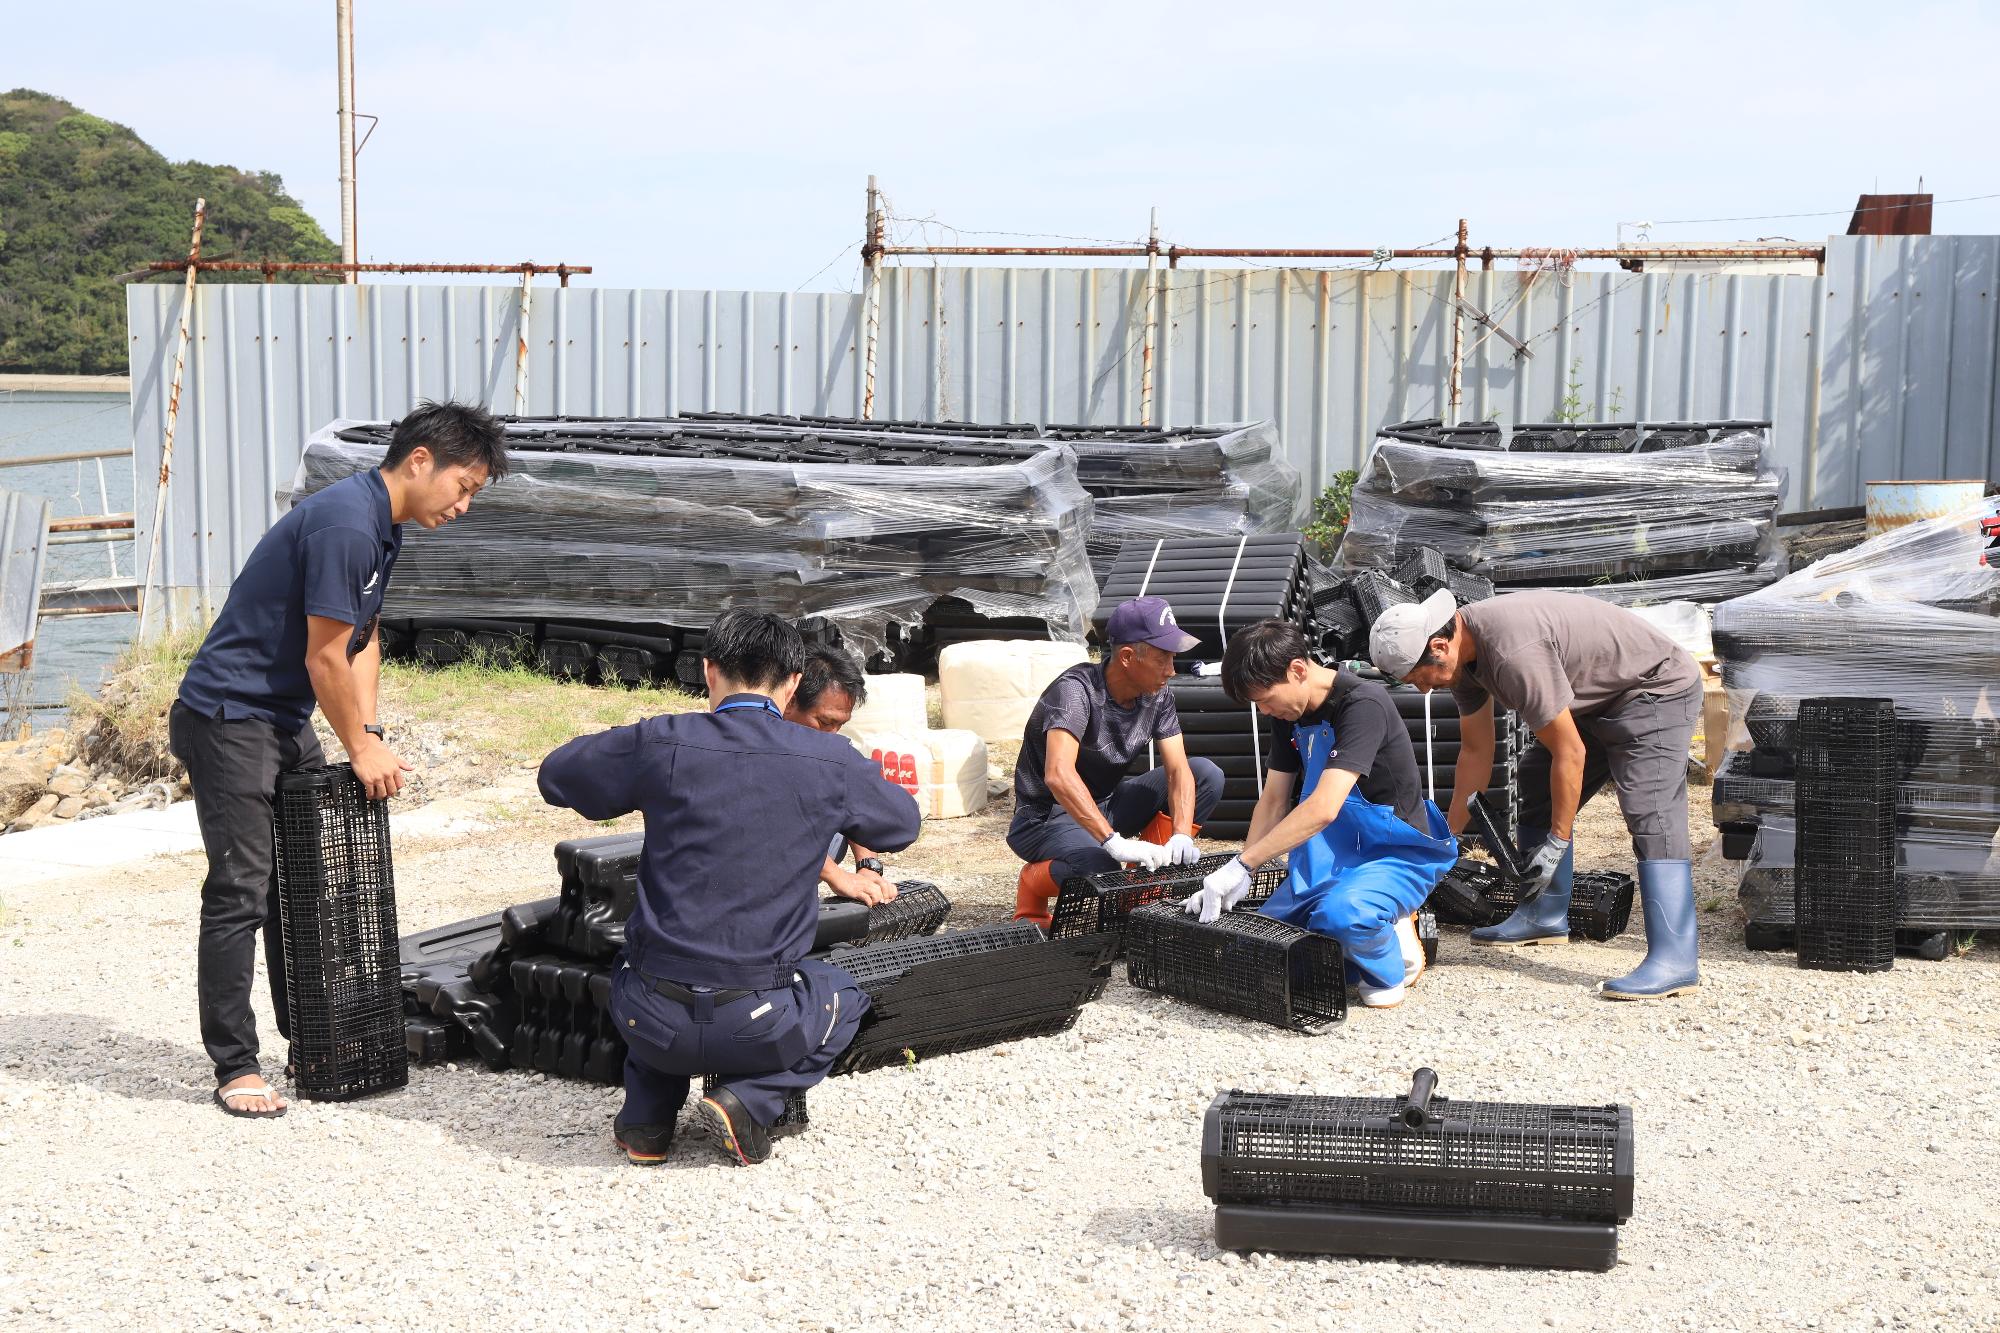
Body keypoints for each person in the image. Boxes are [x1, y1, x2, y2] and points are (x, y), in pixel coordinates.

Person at [169, 400, 508, 1118]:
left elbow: (364, 640)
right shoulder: (348, 522)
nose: (465, 504)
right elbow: (324, 656)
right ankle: (234, 1064)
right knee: (244, 888)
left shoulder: (384, 528)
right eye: (465, 484)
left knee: (307, 883)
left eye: (475, 492)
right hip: (229, 714)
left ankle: (311, 1039)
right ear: (421, 461)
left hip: (282, 715)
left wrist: (373, 729)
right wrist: (358, 746)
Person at [538, 610, 920, 1167]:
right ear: (793, 684)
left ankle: (646, 1126)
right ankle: (747, 1099)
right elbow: (901, 824)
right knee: (844, 993)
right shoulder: (830, 758)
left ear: (708, 671)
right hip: (759, 1020)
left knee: (648, 967)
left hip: (648, 1019)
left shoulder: (661, 741)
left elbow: (557, 775)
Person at [1370, 587, 1704, 1000]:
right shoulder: (1463, 658)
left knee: (1649, 808)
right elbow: (1475, 752)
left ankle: (1676, 959)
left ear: (1440, 645)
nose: (1422, 690)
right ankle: (1544, 914)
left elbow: (1571, 750)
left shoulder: (1512, 653)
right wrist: (1446, 840)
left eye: (1420, 678)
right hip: (1596, 698)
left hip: (1653, 689)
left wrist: (1557, 841)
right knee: (1535, 778)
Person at [1187, 620, 1456, 1009]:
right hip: (1325, 856)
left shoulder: (1363, 704)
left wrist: (1245, 864)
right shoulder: (1288, 715)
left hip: (1395, 853)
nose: (1264, 710)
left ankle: (1394, 960)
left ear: (1297, 670)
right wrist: (1239, 871)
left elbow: (1325, 807)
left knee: (1344, 917)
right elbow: (1274, 799)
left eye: (1264, 699)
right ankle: (1363, 930)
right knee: (1255, 953)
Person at [1008, 595, 1225, 927]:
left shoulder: (1157, 694)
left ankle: (1141, 889)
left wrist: (1181, 834)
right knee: (1101, 868)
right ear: (1127, 657)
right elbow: (1058, 774)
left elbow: (1179, 770)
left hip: (1105, 804)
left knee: (1206, 774)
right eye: (1163, 658)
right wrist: (1113, 842)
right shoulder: (1075, 692)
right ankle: (1033, 883)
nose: (1171, 670)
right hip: (1045, 818)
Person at [782, 645, 899, 907]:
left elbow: (859, 806)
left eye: (840, 725)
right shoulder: (758, 753)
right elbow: (773, 830)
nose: (833, 734)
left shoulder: (825, 750)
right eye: (824, 723)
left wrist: (868, 866)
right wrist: (837, 875)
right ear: (789, 701)